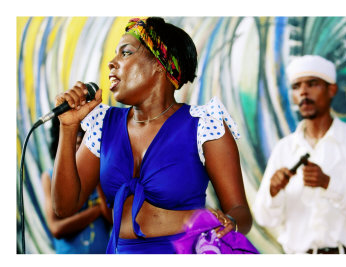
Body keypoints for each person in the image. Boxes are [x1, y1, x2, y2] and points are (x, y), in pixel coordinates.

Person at [51, 17, 253, 254]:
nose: (112, 63)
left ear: (160, 64)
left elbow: (240, 211)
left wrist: (230, 223)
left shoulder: (203, 124)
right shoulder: (102, 125)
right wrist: (68, 127)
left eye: (125, 53)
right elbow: (63, 208)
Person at [253, 55, 346, 254]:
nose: (303, 91)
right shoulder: (284, 149)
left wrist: (328, 184)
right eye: (296, 87)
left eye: (312, 84)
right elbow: (264, 218)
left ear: (332, 90)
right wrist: (273, 190)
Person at [42, 118, 112, 254]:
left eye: (84, 136)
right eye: (75, 137)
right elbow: (56, 229)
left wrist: (96, 174)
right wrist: (96, 211)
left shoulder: (102, 174)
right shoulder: (50, 177)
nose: (79, 142)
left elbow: (112, 219)